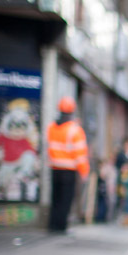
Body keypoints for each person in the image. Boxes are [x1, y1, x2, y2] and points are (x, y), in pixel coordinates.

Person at [47, 96, 90, 232]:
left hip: (55, 168)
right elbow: (80, 155)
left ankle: (53, 225)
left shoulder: (52, 127)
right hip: (68, 170)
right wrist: (84, 172)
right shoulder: (75, 130)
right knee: (65, 199)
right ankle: (61, 226)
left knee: (56, 198)